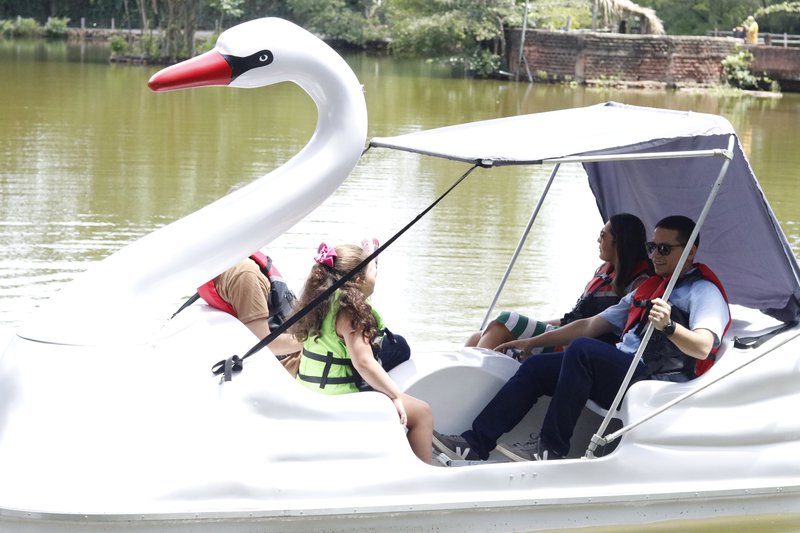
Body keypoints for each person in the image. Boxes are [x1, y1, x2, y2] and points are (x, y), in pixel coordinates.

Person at [433, 215, 730, 463]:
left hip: (653, 377)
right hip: (626, 367)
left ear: (690, 252)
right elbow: (588, 325)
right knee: (539, 368)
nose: (655, 255)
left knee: (584, 351)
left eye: (665, 249)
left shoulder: (703, 293)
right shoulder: (650, 287)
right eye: (652, 247)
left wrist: (669, 328)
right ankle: (475, 443)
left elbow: (704, 347)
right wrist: (531, 343)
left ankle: (551, 448)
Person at [292, 242, 433, 463]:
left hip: (309, 392)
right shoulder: (349, 310)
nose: (375, 276)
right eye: (373, 271)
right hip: (340, 399)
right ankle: (425, 483)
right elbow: (364, 362)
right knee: (422, 413)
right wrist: (395, 395)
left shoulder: (319, 300)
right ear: (359, 281)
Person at [466, 213, 652, 356]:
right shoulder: (605, 270)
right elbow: (572, 317)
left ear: (619, 242)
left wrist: (529, 335)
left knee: (506, 321)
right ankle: (462, 381)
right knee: (480, 334)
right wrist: (532, 327)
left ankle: (472, 381)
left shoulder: (638, 284)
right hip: (567, 331)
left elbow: (594, 327)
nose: (598, 240)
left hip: (580, 344)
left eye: (602, 236)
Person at [198, 253, 303, 360]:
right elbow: (264, 345)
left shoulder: (214, 267)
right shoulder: (245, 275)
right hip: (284, 360)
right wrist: (312, 342)